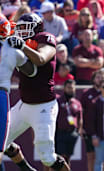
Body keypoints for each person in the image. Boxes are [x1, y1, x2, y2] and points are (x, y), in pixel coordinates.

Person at [5, 12, 71, 170]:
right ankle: (27, 169)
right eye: (19, 29)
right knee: (1, 139)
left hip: (44, 106)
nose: (21, 32)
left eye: (24, 28)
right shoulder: (20, 43)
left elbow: (40, 59)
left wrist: (22, 46)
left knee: (48, 158)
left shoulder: (46, 38)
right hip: (24, 104)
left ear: (36, 28)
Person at [0, 16, 35, 170]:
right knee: (1, 144)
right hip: (1, 95)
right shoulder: (12, 48)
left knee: (5, 142)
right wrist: (23, 48)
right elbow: (32, 71)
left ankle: (25, 167)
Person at [80, 70, 104, 171]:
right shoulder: (86, 93)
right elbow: (81, 111)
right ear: (93, 79)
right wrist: (81, 127)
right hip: (90, 129)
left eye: (101, 77)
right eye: (97, 77)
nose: (99, 79)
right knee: (91, 156)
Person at [55, 79, 82, 166]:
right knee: (60, 157)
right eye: (69, 87)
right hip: (60, 132)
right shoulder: (58, 101)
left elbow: (80, 118)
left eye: (72, 88)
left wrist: (78, 132)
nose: (71, 89)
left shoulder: (76, 103)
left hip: (72, 133)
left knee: (68, 157)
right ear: (64, 88)